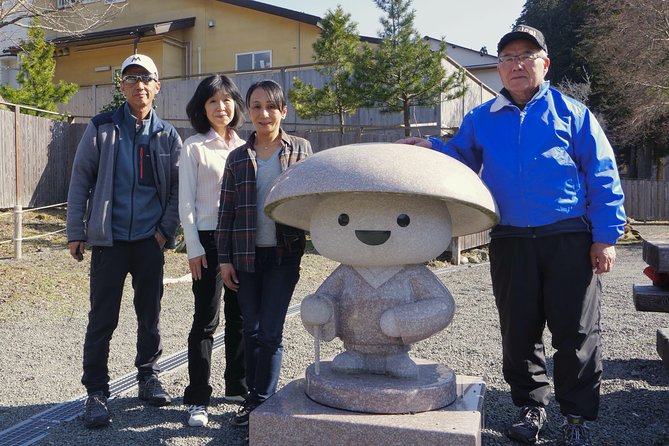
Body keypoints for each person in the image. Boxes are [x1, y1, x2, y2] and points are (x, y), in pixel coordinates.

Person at [398, 25, 626, 446]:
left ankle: (575, 418)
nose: (517, 64)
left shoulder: (572, 113)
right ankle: (531, 407)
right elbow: (459, 158)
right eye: (508, 58)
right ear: (499, 68)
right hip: (510, 238)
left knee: (575, 332)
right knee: (519, 329)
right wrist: (432, 147)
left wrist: (605, 236)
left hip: (568, 236)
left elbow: (602, 174)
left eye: (527, 55)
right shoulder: (482, 118)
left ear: (545, 63)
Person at [66, 54, 181, 429]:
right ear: (122, 86)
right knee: (102, 318)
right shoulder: (101, 128)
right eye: (131, 79)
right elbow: (81, 178)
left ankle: (147, 376)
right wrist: (76, 231)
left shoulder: (167, 135)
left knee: (150, 315)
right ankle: (96, 392)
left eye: (146, 78)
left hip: (150, 241)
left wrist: (165, 232)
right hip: (109, 240)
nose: (139, 85)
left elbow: (179, 190)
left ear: (157, 85)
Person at [216, 79, 312, 428]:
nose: (263, 113)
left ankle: (260, 404)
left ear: (283, 111)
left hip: (284, 256)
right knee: (251, 331)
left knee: (270, 332)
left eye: (271, 106)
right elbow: (225, 211)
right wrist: (224, 259)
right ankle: (256, 401)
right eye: (256, 106)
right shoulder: (237, 157)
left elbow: (312, 199)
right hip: (245, 255)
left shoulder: (301, 150)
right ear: (248, 112)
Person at [179, 74, 248, 427]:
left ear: (235, 104)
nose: (220, 107)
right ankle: (197, 398)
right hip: (206, 240)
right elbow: (186, 203)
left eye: (226, 100)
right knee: (206, 319)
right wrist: (193, 247)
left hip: (240, 239)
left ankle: (237, 385)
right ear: (202, 108)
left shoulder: (245, 146)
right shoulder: (193, 146)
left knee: (239, 315)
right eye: (212, 101)